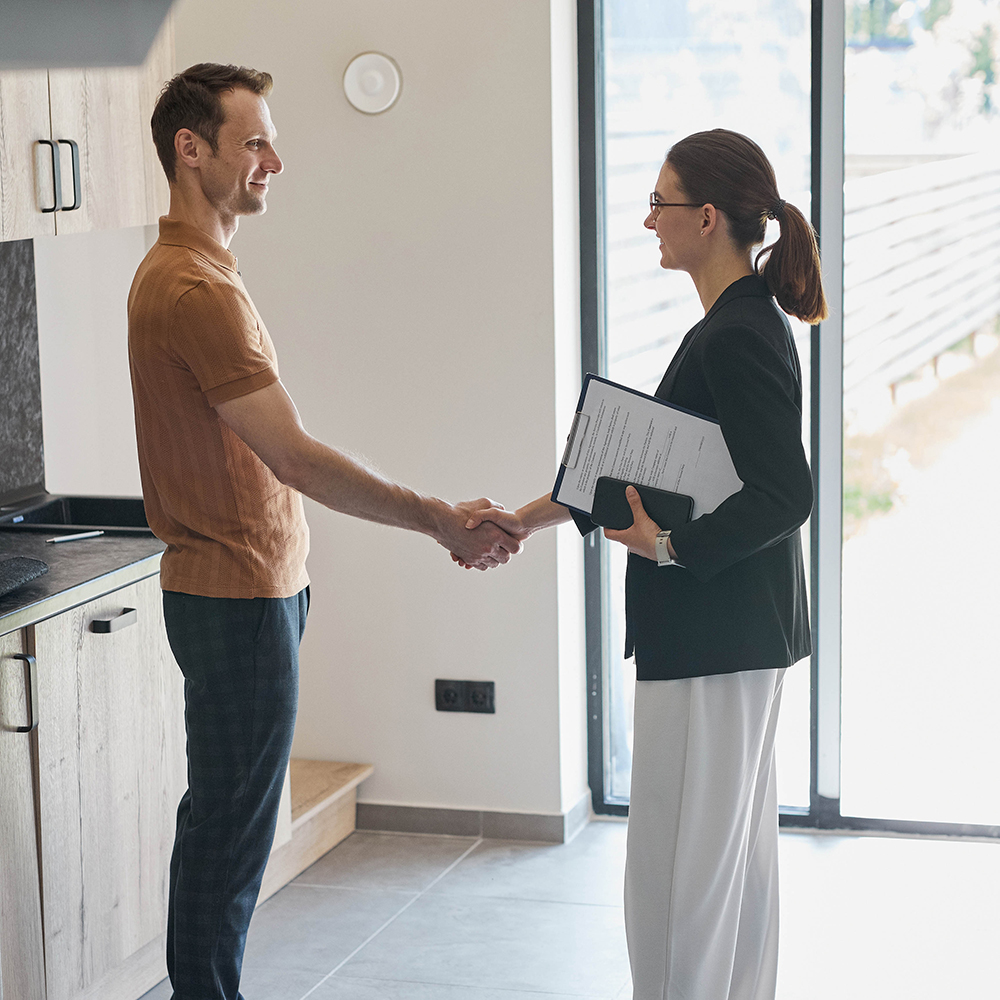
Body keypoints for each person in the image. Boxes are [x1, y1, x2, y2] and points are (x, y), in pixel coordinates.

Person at [127, 63, 521, 1000]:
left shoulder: (200, 273)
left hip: (250, 586)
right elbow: (294, 458)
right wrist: (438, 519)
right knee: (230, 834)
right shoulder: (195, 290)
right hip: (236, 593)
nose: (275, 159)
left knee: (226, 824)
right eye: (253, 141)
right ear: (192, 149)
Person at [466, 129, 824, 999]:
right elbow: (640, 470)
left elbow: (786, 494)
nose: (646, 221)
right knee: (725, 868)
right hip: (735, 637)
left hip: (713, 637)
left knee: (676, 876)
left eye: (660, 204)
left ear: (706, 217)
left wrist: (669, 548)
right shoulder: (735, 325)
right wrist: (525, 518)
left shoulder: (736, 334)